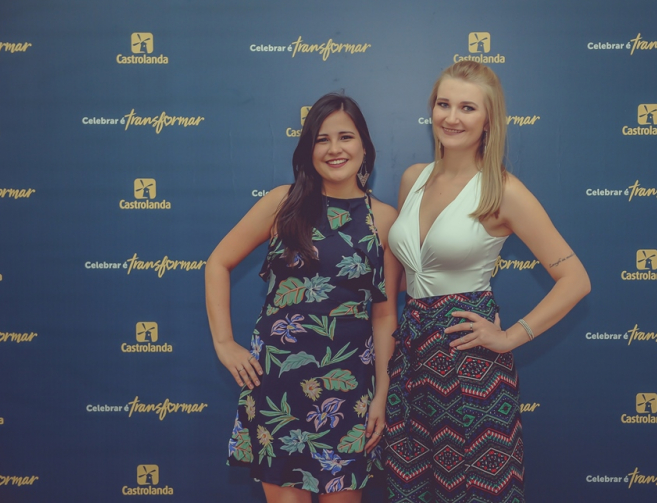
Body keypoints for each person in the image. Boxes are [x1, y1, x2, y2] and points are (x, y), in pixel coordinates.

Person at [383, 61, 591, 503]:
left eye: (467, 108)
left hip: (469, 364)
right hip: (410, 360)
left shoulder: (503, 190)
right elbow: (404, 278)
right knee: (410, 488)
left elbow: (575, 279)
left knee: (476, 490)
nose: (451, 117)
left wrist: (511, 336)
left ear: (488, 120)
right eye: (443, 104)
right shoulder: (413, 178)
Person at [205, 93, 400, 502]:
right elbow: (218, 262)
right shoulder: (283, 202)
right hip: (279, 383)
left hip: (349, 389)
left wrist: (382, 393)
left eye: (345, 137)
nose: (334, 149)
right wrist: (224, 343)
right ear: (308, 148)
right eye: (321, 139)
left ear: (364, 146)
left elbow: (384, 316)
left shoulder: (384, 219)